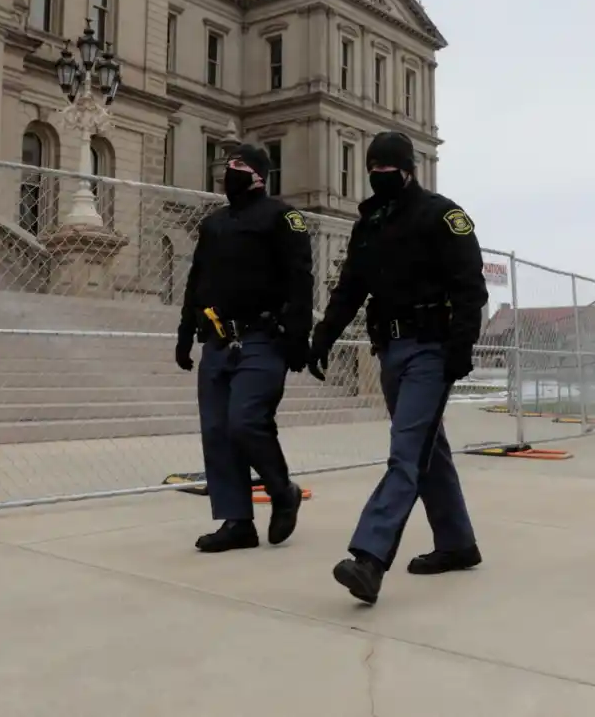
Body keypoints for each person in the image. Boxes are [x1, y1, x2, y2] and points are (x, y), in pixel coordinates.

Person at [308, 131, 488, 604]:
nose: (377, 177)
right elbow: (350, 288)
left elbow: (470, 286)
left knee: (406, 452)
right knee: (430, 448)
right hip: (389, 349)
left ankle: (369, 557)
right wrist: (323, 334)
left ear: (409, 170)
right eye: (372, 169)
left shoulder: (442, 216)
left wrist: (461, 346)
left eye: (386, 169)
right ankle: (457, 543)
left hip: (431, 349)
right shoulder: (369, 224)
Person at [175, 144, 314, 553]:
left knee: (246, 421)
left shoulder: (282, 217)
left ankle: (281, 490)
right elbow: (196, 282)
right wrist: (185, 333)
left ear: (256, 174)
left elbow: (301, 279)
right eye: (225, 165)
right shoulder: (213, 223)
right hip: (217, 338)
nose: (227, 171)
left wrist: (298, 337)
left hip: (262, 337)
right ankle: (237, 522)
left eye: (235, 165)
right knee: (217, 431)